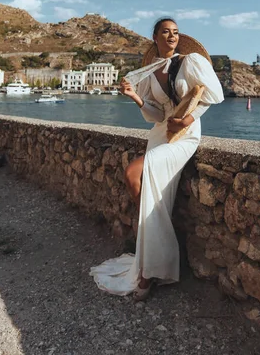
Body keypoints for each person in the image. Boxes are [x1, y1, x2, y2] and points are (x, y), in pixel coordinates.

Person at [90, 18, 224, 300]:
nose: (172, 36)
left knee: (135, 173)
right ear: (155, 37)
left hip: (185, 136)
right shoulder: (150, 73)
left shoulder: (191, 61)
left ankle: (151, 269)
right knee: (134, 180)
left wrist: (186, 118)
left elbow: (214, 95)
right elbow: (157, 115)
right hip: (161, 133)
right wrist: (134, 97)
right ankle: (153, 250)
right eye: (166, 32)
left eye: (175, 32)